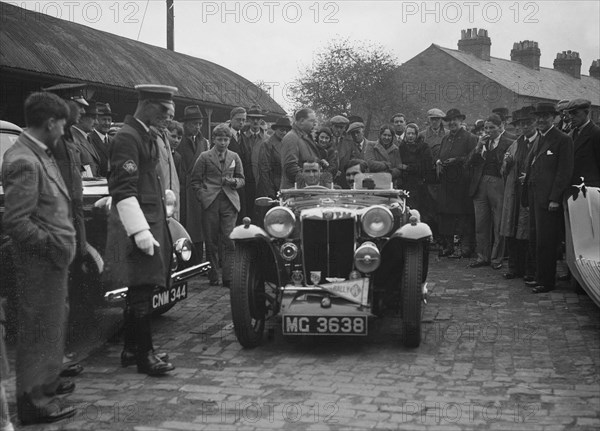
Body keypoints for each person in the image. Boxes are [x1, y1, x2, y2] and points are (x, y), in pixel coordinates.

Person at [2, 92, 77, 424]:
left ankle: (44, 388)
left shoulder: (38, 153)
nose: (62, 131)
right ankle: (33, 402)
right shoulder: (25, 160)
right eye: (61, 124)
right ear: (50, 123)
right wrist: (52, 245)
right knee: (37, 330)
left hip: (51, 264)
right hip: (39, 264)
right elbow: (16, 221)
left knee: (50, 326)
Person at [103, 84, 177, 375]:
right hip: (140, 224)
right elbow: (123, 189)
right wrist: (139, 231)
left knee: (141, 287)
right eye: (162, 111)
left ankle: (132, 349)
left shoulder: (143, 133)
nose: (167, 118)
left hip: (150, 220)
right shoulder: (127, 137)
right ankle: (145, 355)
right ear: (146, 104)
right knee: (141, 291)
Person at [523, 102, 574, 293]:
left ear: (554, 118)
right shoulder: (540, 138)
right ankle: (539, 277)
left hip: (549, 200)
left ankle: (546, 281)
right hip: (536, 197)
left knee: (547, 241)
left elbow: (564, 172)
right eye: (539, 116)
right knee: (536, 238)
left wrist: (554, 198)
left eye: (546, 116)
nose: (541, 120)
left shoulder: (562, 139)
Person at [191, 124, 245, 287]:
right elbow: (195, 181)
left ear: (230, 140)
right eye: (220, 139)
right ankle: (213, 275)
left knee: (229, 239)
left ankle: (228, 276)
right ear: (213, 139)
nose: (223, 143)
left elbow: (242, 179)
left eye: (226, 139)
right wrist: (203, 196)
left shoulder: (234, 156)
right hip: (211, 202)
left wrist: (234, 182)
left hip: (229, 202)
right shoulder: (204, 157)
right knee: (211, 240)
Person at [466, 114, 513, 269]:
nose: (488, 131)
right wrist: (479, 146)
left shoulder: (509, 142)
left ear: (500, 127)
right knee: (481, 222)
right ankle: (482, 256)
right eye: (486, 128)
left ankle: (496, 258)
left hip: (498, 184)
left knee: (498, 223)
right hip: (480, 184)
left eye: (492, 128)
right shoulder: (481, 143)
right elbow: (468, 163)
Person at [500, 106, 538, 280]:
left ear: (535, 123)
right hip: (514, 194)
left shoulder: (541, 142)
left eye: (528, 123)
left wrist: (531, 176)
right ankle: (515, 268)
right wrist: (506, 163)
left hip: (531, 194)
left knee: (528, 232)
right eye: (521, 124)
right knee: (512, 229)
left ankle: (530, 270)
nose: (524, 127)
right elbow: (503, 170)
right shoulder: (516, 144)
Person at [436, 108, 478, 258]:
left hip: (463, 183)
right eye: (449, 120)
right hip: (447, 183)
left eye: (455, 119)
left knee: (463, 216)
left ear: (461, 121)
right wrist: (439, 162)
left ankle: (464, 248)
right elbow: (441, 155)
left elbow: (474, 159)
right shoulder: (446, 139)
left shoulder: (470, 138)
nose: (452, 122)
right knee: (447, 216)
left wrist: (457, 160)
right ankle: (450, 247)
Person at [176, 105, 208, 255]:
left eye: (200, 123)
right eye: (194, 124)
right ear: (185, 124)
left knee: (198, 226)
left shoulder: (204, 142)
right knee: (182, 227)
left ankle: (197, 259)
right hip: (182, 190)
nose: (197, 127)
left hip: (197, 190)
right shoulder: (177, 140)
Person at [398, 123, 433, 217]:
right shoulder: (402, 147)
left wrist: (408, 168)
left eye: (412, 134)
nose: (410, 136)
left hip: (419, 184)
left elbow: (426, 166)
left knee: (418, 211)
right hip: (405, 183)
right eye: (408, 133)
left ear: (417, 135)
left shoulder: (424, 147)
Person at [239, 105, 268, 219]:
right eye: (252, 118)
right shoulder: (242, 138)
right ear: (249, 120)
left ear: (261, 120)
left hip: (262, 181)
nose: (255, 121)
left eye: (258, 118)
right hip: (246, 181)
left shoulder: (267, 139)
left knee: (262, 212)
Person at [564, 99, 600, 187]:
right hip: (571, 188)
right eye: (570, 113)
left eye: (575, 113)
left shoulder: (596, 133)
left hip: (590, 190)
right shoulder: (571, 134)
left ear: (586, 112)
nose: (571, 117)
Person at [280, 108, 320, 189]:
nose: (314, 124)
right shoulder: (291, 138)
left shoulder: (305, 137)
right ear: (301, 121)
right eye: (312, 121)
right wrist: (310, 182)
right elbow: (291, 169)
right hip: (296, 192)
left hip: (305, 190)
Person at [257, 116, 292, 198]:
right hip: (272, 187)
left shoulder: (289, 144)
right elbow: (264, 170)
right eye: (282, 130)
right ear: (275, 129)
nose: (284, 133)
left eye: (287, 130)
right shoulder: (267, 144)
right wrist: (270, 192)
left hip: (286, 187)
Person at [71, 101, 100, 177]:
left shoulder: (86, 137)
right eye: (93, 118)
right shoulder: (72, 138)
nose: (97, 122)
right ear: (81, 118)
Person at [88, 102, 115, 177]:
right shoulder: (88, 140)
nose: (107, 123)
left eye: (109, 120)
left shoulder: (114, 140)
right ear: (96, 120)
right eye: (104, 119)